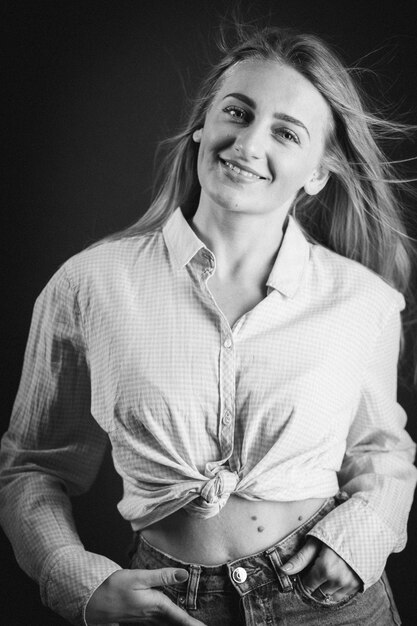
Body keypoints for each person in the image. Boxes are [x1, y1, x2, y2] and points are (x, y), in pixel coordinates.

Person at [1, 22, 416, 626]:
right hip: (165, 606)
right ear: (202, 124)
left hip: (330, 604)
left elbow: (382, 449)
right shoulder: (89, 284)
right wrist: (79, 582)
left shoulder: (362, 300)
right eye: (237, 112)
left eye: (285, 132)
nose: (248, 144)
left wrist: (364, 535)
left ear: (318, 173)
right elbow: (32, 464)